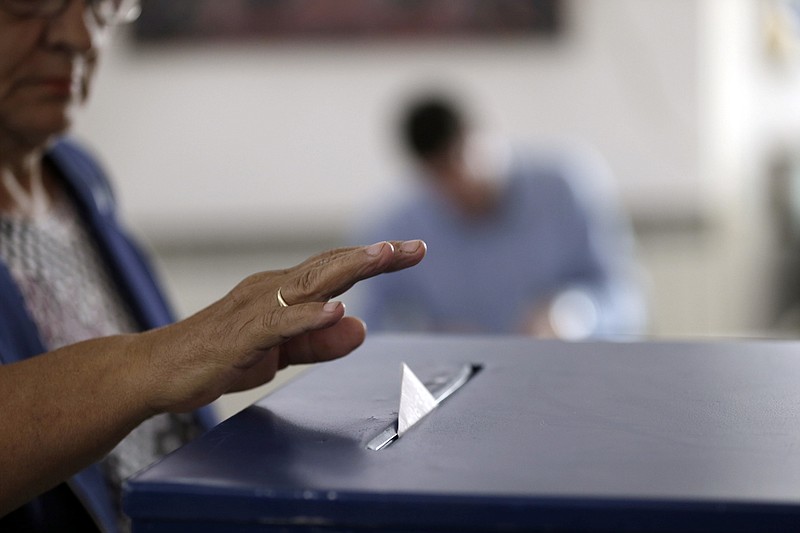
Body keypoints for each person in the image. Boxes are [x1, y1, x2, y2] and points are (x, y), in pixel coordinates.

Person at [0, 1, 426, 531]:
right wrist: (167, 356)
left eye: (101, 6)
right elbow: (155, 368)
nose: (81, 38)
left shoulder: (77, 176)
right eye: (31, 4)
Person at [353, 92, 645, 339]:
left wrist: (573, 316)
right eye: (440, 173)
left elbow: (627, 300)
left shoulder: (566, 185)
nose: (457, 182)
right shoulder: (395, 227)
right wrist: (429, 339)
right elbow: (372, 327)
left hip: (572, 377)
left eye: (460, 159)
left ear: (480, 136)